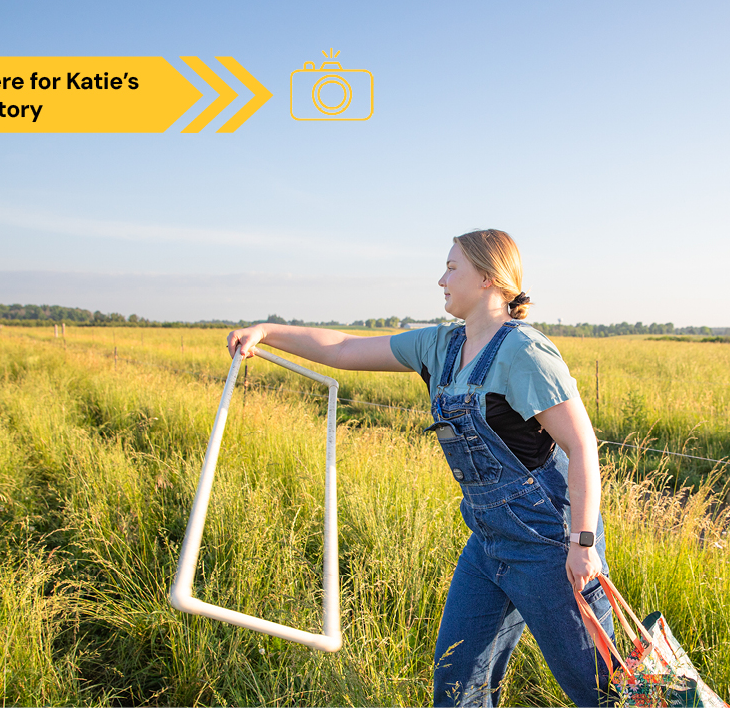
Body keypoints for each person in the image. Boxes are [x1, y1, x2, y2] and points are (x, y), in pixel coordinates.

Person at [227, 229, 615, 707]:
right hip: (487, 539)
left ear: (490, 278)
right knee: (456, 690)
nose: (441, 279)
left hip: (548, 546)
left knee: (604, 692)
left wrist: (582, 543)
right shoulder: (439, 347)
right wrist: (267, 331)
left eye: (453, 268)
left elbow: (582, 446)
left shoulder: (525, 353)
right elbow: (344, 349)